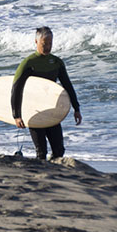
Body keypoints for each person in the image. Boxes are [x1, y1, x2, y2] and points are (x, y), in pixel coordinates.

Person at [11, 26, 81, 160]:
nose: (48, 47)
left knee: (59, 150)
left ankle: (53, 173)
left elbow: (67, 86)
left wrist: (76, 108)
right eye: (44, 44)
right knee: (41, 152)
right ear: (36, 42)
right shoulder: (28, 63)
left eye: (50, 43)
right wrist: (17, 115)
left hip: (51, 111)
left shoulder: (56, 62)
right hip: (34, 111)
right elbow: (16, 89)